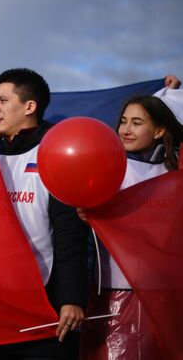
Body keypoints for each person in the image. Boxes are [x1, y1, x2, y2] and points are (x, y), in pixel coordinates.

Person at [0, 68, 88, 359]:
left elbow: (69, 234)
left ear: (30, 106)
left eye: (2, 100)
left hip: (43, 307)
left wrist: (71, 299)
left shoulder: (56, 154)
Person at [79, 95, 183, 360]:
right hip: (111, 290)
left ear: (159, 130)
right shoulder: (106, 166)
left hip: (163, 293)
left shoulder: (175, 172)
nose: (126, 129)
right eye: (123, 121)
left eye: (137, 123)